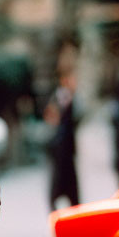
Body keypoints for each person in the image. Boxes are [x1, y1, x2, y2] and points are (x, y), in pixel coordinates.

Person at [44, 68, 79, 210]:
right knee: (59, 181)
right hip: (59, 148)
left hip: (67, 148)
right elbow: (50, 116)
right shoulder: (60, 97)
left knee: (70, 185)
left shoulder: (69, 97)